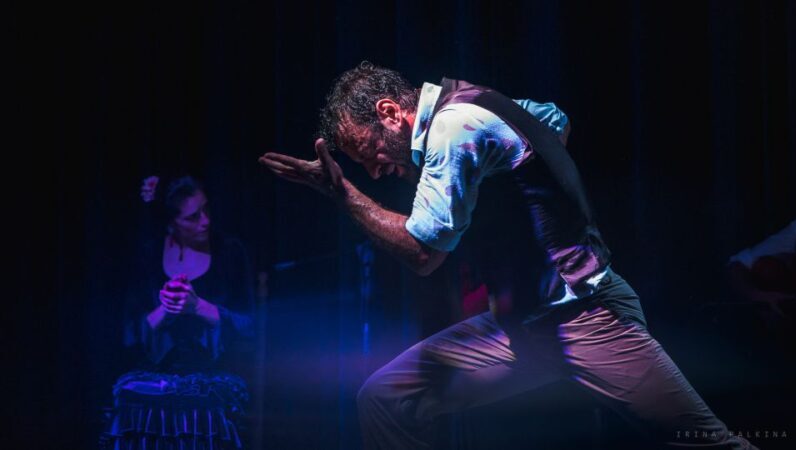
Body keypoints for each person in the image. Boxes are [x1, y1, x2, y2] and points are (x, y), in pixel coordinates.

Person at [259, 61, 757, 449]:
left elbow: (422, 254)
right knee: (387, 398)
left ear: (391, 113)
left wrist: (343, 193)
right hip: (519, 330)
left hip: (587, 320)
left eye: (369, 150)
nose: (373, 168)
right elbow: (553, 120)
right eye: (361, 165)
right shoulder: (475, 103)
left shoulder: (452, 129)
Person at [101, 175, 256, 450]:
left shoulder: (230, 252)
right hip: (155, 371)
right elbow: (129, 334)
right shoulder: (149, 256)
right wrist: (167, 309)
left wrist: (198, 307)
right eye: (193, 217)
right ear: (171, 224)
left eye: (206, 210)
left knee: (205, 406)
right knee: (133, 398)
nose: (205, 221)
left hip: (215, 370)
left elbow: (250, 325)